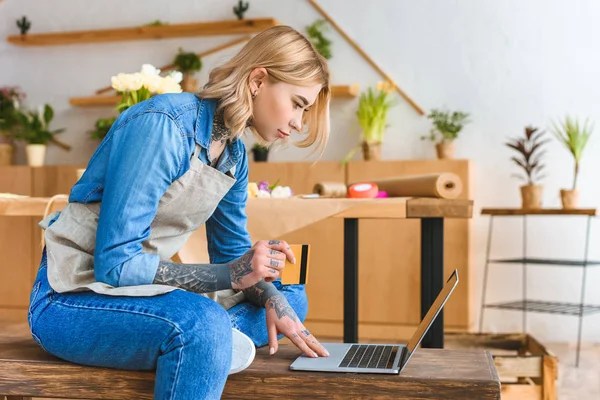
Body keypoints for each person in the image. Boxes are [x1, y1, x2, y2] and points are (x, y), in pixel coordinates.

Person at [28, 25, 331, 400]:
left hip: (141, 292)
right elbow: (116, 265)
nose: (299, 122)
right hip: (72, 296)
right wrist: (234, 274)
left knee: (291, 301)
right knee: (203, 323)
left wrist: (270, 294)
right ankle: (206, 342)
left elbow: (231, 258)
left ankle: (205, 346)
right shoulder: (164, 127)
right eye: (299, 103)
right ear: (257, 80)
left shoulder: (233, 156)